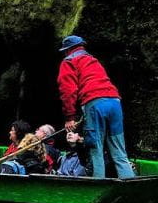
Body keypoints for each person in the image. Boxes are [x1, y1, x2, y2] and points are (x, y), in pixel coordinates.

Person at [57, 35, 136, 179]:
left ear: (67, 50)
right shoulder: (93, 60)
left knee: (95, 150)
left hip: (95, 103)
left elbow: (68, 91)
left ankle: (97, 187)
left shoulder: (68, 61)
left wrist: (70, 117)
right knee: (119, 153)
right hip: (115, 102)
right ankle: (131, 187)